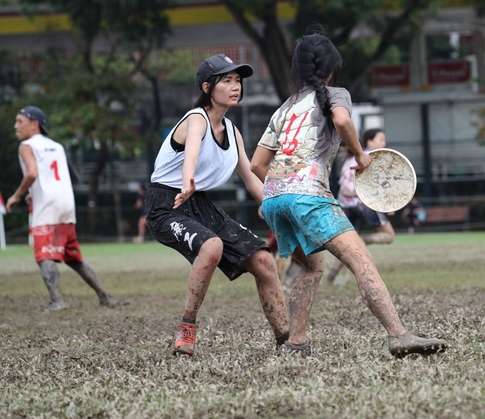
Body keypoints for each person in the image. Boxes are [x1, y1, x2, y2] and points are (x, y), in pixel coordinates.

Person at [250, 33, 447, 358]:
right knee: (362, 261)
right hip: (309, 196)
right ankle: (398, 335)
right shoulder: (335, 94)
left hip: (273, 199)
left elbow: (258, 163)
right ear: (331, 67)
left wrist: (278, 190)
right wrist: (359, 154)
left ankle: (295, 343)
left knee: (311, 267)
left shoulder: (284, 108)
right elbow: (341, 120)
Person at [144, 54, 289, 356]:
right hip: (167, 203)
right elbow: (192, 152)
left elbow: (250, 178)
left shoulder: (232, 131)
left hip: (200, 203)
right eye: (227, 80)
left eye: (238, 80)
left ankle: (286, 341)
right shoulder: (196, 118)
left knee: (263, 260)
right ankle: (187, 327)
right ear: (208, 87)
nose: (235, 86)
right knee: (212, 246)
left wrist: (277, 208)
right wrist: (187, 182)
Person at [6, 106, 116, 312]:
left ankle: (57, 300)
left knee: (43, 255)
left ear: (34, 124)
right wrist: (35, 192)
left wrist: (17, 195)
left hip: (47, 206)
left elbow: (31, 174)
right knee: (73, 257)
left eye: (19, 121)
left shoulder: (26, 146)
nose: (16, 126)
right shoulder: (56, 146)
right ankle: (104, 296)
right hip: (66, 204)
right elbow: (69, 176)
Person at [325, 128, 395, 285]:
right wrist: (387, 205)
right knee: (389, 235)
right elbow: (376, 185)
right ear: (369, 141)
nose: (383, 143)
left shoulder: (353, 157)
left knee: (349, 244)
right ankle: (363, 242)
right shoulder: (374, 157)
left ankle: (331, 276)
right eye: (380, 139)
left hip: (344, 202)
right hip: (361, 202)